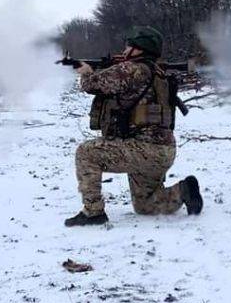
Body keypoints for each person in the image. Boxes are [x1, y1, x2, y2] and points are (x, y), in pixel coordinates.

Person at [64, 26, 203, 226]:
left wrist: (86, 72)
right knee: (146, 205)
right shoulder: (156, 72)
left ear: (139, 48)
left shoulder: (133, 69)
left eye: (129, 45)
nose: (125, 49)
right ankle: (184, 190)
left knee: (86, 153)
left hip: (143, 150)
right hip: (162, 151)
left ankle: (93, 212)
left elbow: (92, 85)